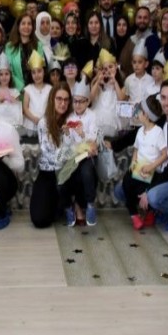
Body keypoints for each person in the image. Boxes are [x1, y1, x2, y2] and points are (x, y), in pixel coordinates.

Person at [115, 80, 168, 232]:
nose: (166, 103)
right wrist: (114, 144)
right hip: (156, 174)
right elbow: (136, 134)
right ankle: (157, 209)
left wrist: (148, 190)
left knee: (152, 196)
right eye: (163, 98)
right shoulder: (161, 121)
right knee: (121, 189)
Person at [30, 83, 74, 228]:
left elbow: (76, 149)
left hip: (67, 172)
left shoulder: (72, 120)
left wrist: (69, 140)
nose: (63, 103)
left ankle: (69, 204)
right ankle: (59, 201)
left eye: (66, 100)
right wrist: (68, 146)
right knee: (39, 220)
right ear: (52, 100)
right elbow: (50, 155)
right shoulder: (44, 123)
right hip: (48, 172)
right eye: (59, 99)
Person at [121, 95, 167, 230]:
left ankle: (150, 212)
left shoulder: (158, 132)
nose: (137, 113)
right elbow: (136, 148)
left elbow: (165, 154)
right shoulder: (140, 131)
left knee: (144, 189)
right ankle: (134, 215)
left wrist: (151, 166)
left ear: (146, 115)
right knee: (126, 182)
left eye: (139, 111)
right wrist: (133, 162)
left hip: (152, 171)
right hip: (138, 169)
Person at [61, 78, 100, 226]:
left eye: (81, 101)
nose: (77, 105)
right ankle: (68, 207)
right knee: (63, 175)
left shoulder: (92, 116)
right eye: (75, 101)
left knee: (87, 172)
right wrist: (66, 133)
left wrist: (82, 134)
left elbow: (93, 139)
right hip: (73, 155)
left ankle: (90, 204)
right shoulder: (69, 117)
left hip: (87, 155)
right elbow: (68, 143)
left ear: (88, 101)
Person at [4, 14, 44, 91]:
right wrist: (22, 88)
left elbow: (39, 69)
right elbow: (8, 70)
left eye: (29, 24)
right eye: (23, 23)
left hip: (35, 89)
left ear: (32, 27)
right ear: (18, 26)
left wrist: (32, 89)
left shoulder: (38, 45)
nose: (26, 26)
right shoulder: (9, 47)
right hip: (17, 91)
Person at [22, 50, 52, 139]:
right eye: (33, 72)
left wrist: (44, 119)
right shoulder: (28, 89)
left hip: (46, 123)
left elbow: (51, 106)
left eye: (39, 71)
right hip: (30, 124)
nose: (36, 75)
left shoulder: (50, 88)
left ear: (44, 72)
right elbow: (25, 108)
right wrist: (33, 118)